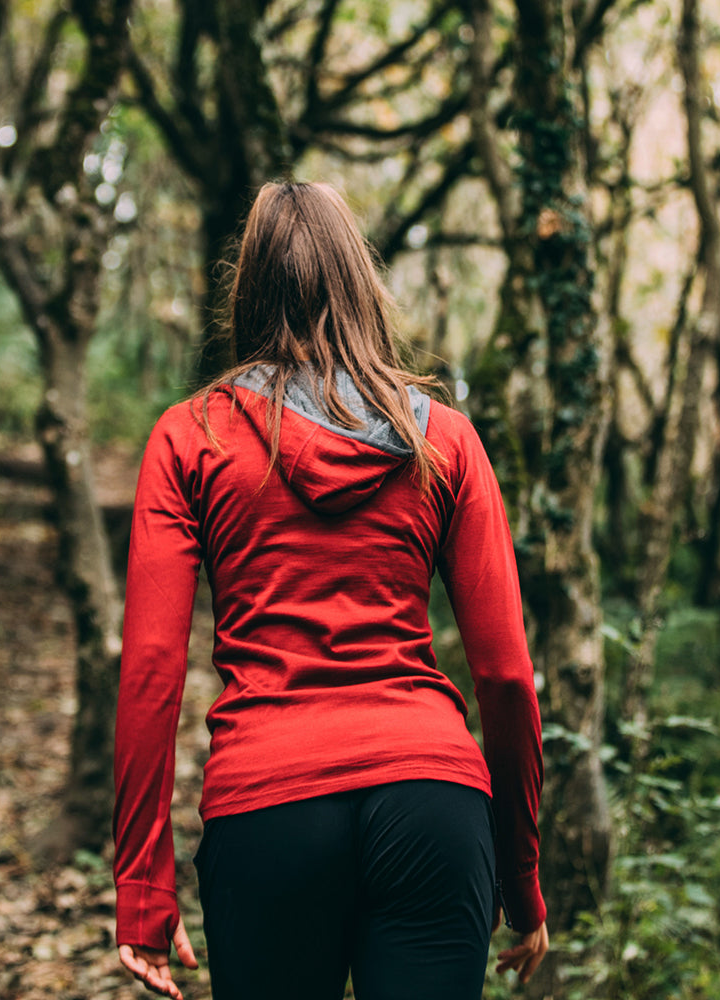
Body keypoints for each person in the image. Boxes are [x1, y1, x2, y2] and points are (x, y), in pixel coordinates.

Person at [111, 180, 549, 1000]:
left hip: (266, 804)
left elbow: (150, 674)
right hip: (434, 801)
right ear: (360, 282)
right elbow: (505, 676)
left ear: (249, 288)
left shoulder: (190, 437)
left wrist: (143, 891)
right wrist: (521, 875)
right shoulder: (446, 441)